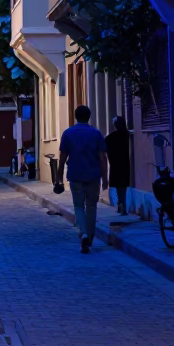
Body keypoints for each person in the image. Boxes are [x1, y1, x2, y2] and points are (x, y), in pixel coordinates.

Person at [58, 104, 109, 254]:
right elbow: (103, 158)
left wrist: (58, 177)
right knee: (92, 206)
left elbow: (62, 158)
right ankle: (90, 238)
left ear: (75, 116)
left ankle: (83, 234)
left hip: (75, 175)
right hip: (93, 175)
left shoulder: (68, 133)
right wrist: (105, 178)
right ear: (89, 117)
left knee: (79, 206)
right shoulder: (96, 133)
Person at [105, 116, 131, 215]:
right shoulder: (127, 135)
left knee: (118, 185)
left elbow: (105, 148)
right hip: (124, 163)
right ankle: (122, 203)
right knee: (122, 185)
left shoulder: (110, 137)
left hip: (115, 164)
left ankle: (121, 203)